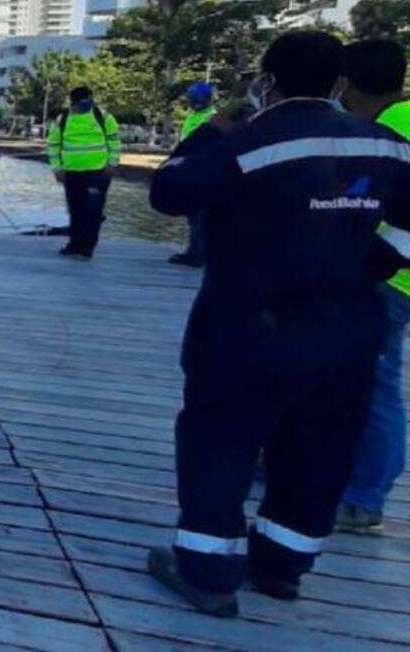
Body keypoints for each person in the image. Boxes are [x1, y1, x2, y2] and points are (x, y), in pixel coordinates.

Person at [145, 30, 410, 618]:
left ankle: (210, 572)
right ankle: (282, 567)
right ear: (338, 83)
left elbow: (168, 191)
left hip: (248, 329)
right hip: (345, 329)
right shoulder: (387, 147)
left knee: (221, 444)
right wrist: (376, 263)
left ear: (268, 80)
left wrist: (210, 129)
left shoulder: (250, 143)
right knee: (318, 449)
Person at [335, 39, 410, 534]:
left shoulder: (387, 133)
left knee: (377, 385)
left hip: (391, 275)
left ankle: (365, 498)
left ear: (349, 83)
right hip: (396, 271)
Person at [48, 86, 121, 259]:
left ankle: (87, 247)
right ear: (73, 102)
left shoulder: (103, 117)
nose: (89, 103)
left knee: (93, 211)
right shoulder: (63, 119)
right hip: (71, 173)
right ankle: (74, 244)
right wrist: (57, 168)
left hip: (98, 172)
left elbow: (114, 141)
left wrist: (113, 163)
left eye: (90, 99)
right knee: (75, 210)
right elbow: (53, 145)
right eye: (84, 100)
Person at [170, 82, 216, 268]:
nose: (192, 102)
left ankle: (197, 254)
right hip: (190, 167)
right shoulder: (194, 116)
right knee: (194, 214)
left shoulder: (211, 118)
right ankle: (196, 251)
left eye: (195, 99)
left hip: (203, 170)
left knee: (198, 215)